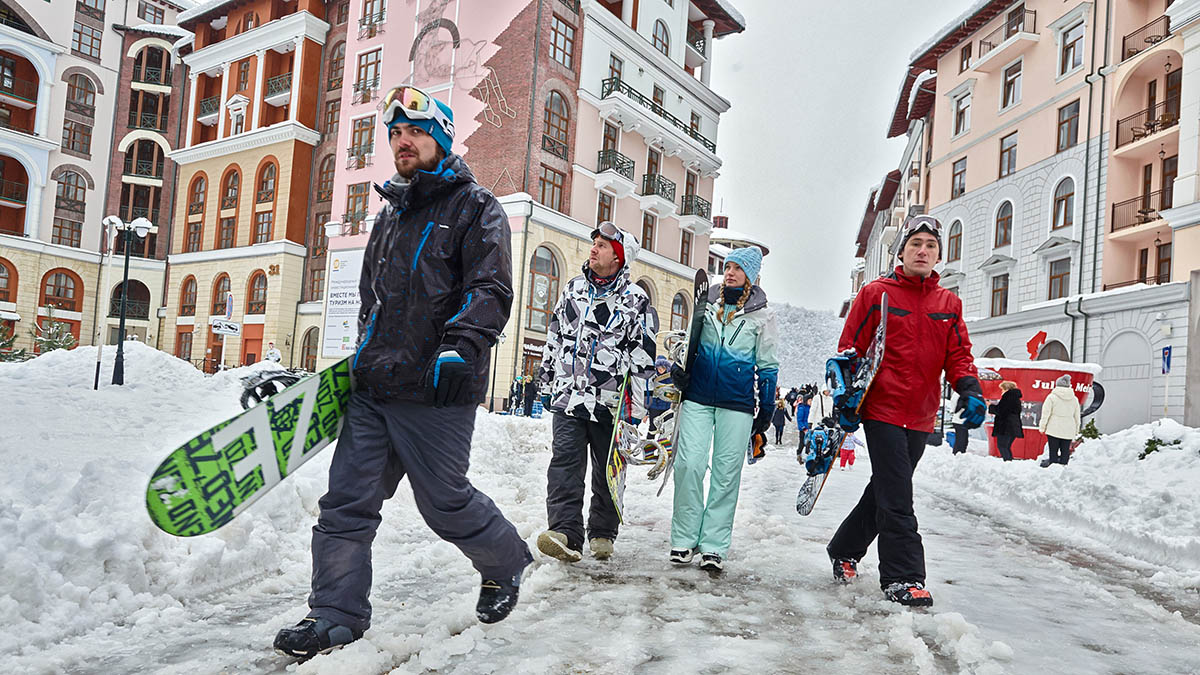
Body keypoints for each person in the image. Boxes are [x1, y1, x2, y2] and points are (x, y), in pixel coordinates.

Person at [274, 85, 532, 659]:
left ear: (440, 137)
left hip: (438, 387)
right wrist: (353, 363)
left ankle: (506, 562)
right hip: (376, 387)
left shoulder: (477, 208)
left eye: (414, 131)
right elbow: (373, 301)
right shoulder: (389, 215)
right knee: (346, 503)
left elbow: (490, 289)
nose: (401, 142)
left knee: (443, 501)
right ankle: (334, 616)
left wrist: (461, 345)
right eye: (394, 134)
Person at [825, 215, 985, 608]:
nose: (923, 250)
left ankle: (844, 548)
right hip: (881, 408)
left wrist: (970, 389)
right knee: (898, 495)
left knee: (884, 488)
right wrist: (844, 397)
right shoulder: (876, 293)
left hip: (921, 414)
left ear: (938, 256)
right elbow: (851, 348)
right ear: (902, 252)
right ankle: (903, 577)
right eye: (916, 244)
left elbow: (959, 354)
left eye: (931, 245)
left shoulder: (948, 303)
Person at [535, 221, 656, 563]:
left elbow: (642, 358)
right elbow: (555, 337)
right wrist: (546, 379)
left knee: (607, 470)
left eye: (603, 245)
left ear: (618, 257)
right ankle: (565, 534)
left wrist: (636, 407)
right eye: (595, 243)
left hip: (610, 404)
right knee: (564, 465)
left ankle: (602, 532)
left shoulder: (636, 301)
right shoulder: (573, 289)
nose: (594, 248)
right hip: (569, 397)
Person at [668, 246, 779, 573]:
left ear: (751, 276)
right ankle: (684, 538)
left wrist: (767, 406)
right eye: (727, 266)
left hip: (737, 402)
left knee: (726, 474)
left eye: (738, 268)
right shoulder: (706, 305)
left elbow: (768, 365)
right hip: (698, 397)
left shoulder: (763, 316)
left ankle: (714, 546)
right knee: (689, 464)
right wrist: (679, 371)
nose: (729, 272)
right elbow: (688, 347)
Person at [1038, 374, 1081, 466]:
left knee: (1053, 450)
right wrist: (1076, 430)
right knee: (1065, 451)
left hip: (1053, 428)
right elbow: (1077, 416)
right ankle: (1063, 469)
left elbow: (1046, 413)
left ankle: (1053, 469)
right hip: (1068, 429)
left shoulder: (1051, 397)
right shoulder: (1074, 399)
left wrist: (1042, 427)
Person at [989, 381, 1024, 462]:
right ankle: (1008, 463)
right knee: (1006, 446)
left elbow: (1001, 410)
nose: (1001, 391)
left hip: (1006, 427)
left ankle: (1008, 463)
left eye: (1002, 389)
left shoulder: (1008, 397)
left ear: (1007, 389)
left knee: (1002, 446)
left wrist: (990, 406)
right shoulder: (1014, 398)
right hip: (1012, 426)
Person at [647, 356, 673, 434]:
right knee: (652, 429)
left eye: (663, 367)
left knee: (666, 430)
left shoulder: (671, 378)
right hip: (654, 406)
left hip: (667, 407)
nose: (660, 369)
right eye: (658, 367)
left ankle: (663, 445)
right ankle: (650, 445)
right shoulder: (652, 377)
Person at [795, 386, 812, 451]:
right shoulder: (802, 408)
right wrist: (803, 428)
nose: (811, 402)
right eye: (809, 401)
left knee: (808, 443)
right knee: (802, 442)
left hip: (809, 428)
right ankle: (799, 453)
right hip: (803, 428)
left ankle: (806, 455)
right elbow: (799, 419)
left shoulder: (810, 408)